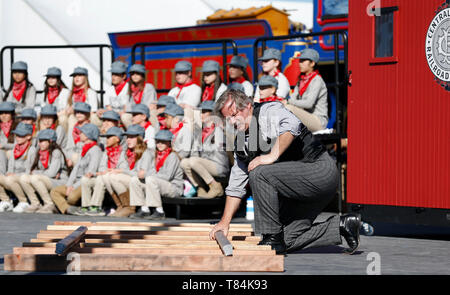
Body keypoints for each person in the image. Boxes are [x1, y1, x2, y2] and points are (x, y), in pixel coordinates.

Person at [209, 89, 361, 255]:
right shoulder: (241, 142)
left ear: (247, 105)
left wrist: (271, 156)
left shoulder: (268, 111)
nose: (231, 121)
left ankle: (271, 237)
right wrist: (224, 222)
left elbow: (292, 124)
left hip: (320, 171)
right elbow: (236, 185)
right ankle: (341, 226)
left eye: (234, 114)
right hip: (298, 191)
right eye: (227, 118)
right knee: (286, 240)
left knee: (259, 172)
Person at [129, 129, 183, 220]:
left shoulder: (172, 156)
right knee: (135, 180)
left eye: (163, 142)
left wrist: (146, 174)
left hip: (174, 187)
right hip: (159, 183)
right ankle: (144, 209)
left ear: (169, 143)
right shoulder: (156, 155)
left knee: (150, 179)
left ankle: (159, 211)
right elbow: (152, 171)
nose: (160, 144)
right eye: (158, 142)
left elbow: (167, 176)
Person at [180, 100, 229, 199]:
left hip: (218, 165)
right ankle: (200, 188)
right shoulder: (200, 130)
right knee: (185, 162)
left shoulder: (218, 129)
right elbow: (195, 150)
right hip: (204, 163)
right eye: (200, 112)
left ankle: (215, 186)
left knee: (193, 161)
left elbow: (216, 150)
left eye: (205, 112)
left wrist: (199, 153)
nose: (201, 114)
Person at [50, 123, 102, 215]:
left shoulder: (95, 150)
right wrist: (69, 184)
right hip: (75, 183)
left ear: (88, 135)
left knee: (71, 197)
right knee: (55, 191)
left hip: (84, 183)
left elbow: (91, 172)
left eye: (82, 132)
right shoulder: (84, 148)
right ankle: (68, 209)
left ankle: (71, 206)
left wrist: (74, 187)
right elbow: (76, 168)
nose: (80, 134)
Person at [101, 124, 152, 217]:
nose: (128, 140)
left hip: (142, 182)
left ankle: (129, 207)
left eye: (132, 137)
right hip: (131, 178)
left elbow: (141, 174)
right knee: (106, 177)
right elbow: (123, 168)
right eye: (127, 137)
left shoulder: (146, 153)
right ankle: (120, 206)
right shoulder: (126, 152)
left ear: (139, 138)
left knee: (114, 177)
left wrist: (122, 171)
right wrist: (116, 171)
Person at [77, 127, 124, 216]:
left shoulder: (123, 152)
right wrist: (95, 173)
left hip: (114, 178)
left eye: (109, 137)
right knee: (85, 179)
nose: (107, 140)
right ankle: (86, 206)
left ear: (117, 139)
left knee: (100, 179)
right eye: (106, 137)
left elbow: (122, 168)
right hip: (104, 175)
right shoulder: (107, 151)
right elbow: (102, 167)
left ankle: (96, 206)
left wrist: (106, 172)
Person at [19, 129, 68, 214]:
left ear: (50, 141)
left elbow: (51, 173)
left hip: (59, 181)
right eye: (39, 141)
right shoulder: (40, 152)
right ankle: (35, 203)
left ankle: (49, 203)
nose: (39, 144)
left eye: (42, 141)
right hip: (46, 178)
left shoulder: (56, 152)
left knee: (34, 178)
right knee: (23, 178)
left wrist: (36, 172)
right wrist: (37, 172)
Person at [286, 48, 328, 132]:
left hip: (318, 120)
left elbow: (308, 104)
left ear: (312, 63)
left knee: (289, 108)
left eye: (303, 61)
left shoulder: (317, 80)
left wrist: (288, 101)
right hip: (307, 116)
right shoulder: (302, 79)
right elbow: (293, 98)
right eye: (300, 61)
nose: (300, 64)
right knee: (283, 108)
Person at [0, 123, 36, 213]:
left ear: (28, 137)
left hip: (23, 178)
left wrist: (14, 175)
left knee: (10, 179)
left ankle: (23, 201)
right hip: (13, 177)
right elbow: (11, 167)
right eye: (17, 135)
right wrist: (9, 173)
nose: (17, 138)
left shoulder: (31, 150)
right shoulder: (15, 149)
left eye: (21, 135)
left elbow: (29, 171)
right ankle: (6, 201)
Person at [64, 67, 100, 132]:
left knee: (93, 117)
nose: (76, 78)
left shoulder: (91, 92)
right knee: (70, 118)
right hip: (75, 116)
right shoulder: (71, 93)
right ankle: (70, 141)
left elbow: (93, 112)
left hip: (87, 117)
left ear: (85, 77)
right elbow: (67, 109)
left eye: (80, 75)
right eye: (74, 76)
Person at [125, 64, 157, 128]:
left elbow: (149, 106)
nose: (135, 76)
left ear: (142, 75)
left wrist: (138, 112)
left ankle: (155, 134)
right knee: (125, 116)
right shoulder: (129, 88)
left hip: (145, 112)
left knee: (152, 114)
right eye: (133, 74)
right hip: (134, 112)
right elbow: (127, 106)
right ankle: (133, 132)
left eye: (137, 74)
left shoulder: (148, 87)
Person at [65, 102, 92, 168]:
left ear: (87, 115)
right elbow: (69, 147)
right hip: (74, 153)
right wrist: (70, 157)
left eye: (82, 113)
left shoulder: (91, 128)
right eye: (77, 112)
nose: (79, 115)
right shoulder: (73, 129)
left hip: (86, 155)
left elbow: (92, 146)